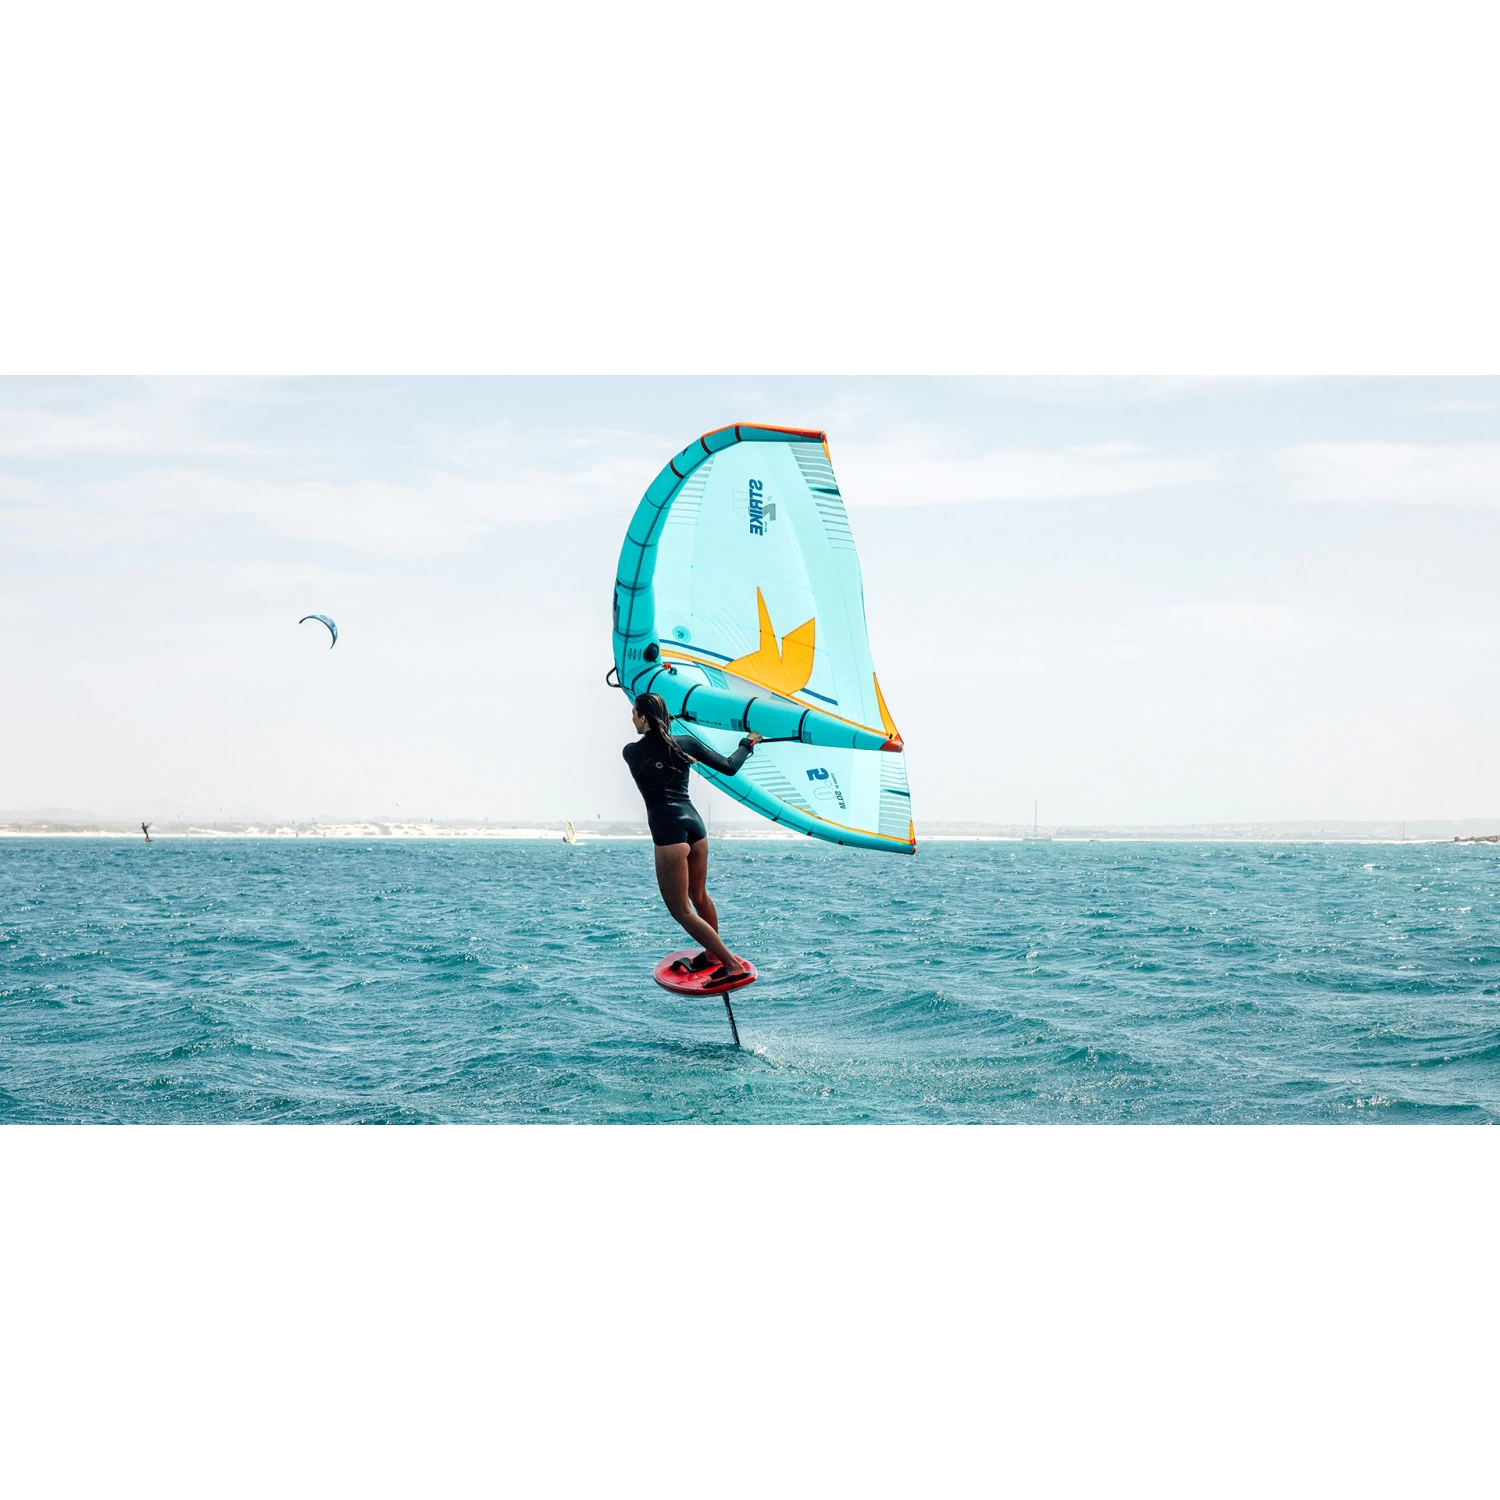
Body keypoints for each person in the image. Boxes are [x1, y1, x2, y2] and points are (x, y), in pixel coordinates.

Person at [622, 691, 761, 982]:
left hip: (669, 834)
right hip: (695, 827)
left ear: (644, 717)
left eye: (634, 713)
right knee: (699, 896)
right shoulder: (686, 744)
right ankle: (712, 955)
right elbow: (729, 767)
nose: (631, 718)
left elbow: (654, 748)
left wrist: (663, 723)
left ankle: (731, 965)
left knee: (682, 911)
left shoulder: (631, 752)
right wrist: (747, 743)